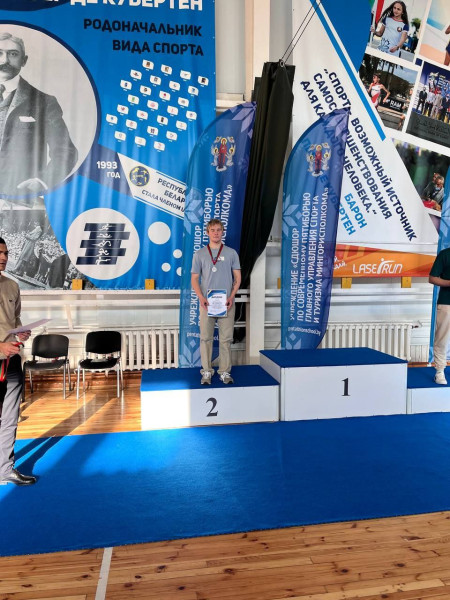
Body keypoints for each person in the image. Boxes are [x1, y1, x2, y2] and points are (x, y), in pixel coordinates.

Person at [0, 32, 78, 196]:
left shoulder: (44, 102)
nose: (5, 60)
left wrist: (43, 181)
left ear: (24, 60)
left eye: (13, 54)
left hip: (19, 198)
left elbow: (66, 152)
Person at [0, 237, 34, 485]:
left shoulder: (12, 285)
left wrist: (21, 333)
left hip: (11, 361)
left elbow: (15, 319)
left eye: (6, 253)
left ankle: (4, 470)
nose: (3, 257)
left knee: (10, 416)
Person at [191, 219, 241, 385]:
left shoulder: (231, 253)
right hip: (207, 304)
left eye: (219, 230)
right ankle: (206, 371)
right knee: (206, 338)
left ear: (222, 232)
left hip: (227, 303)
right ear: (207, 232)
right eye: (212, 230)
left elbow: (238, 277)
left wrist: (231, 296)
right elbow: (194, 279)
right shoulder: (199, 254)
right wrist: (201, 297)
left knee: (226, 339)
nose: (216, 233)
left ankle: (224, 372)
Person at [429, 248, 450, 384]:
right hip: (447, 302)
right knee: (442, 338)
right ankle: (440, 371)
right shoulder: (445, 254)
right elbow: (432, 278)